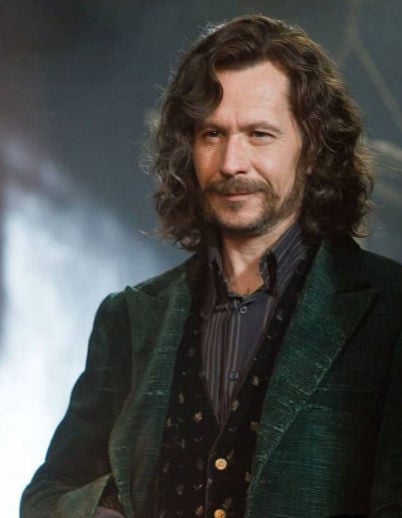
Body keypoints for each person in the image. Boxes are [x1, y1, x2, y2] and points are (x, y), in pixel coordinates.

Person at [21, 14, 402, 518]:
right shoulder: (129, 318)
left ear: (312, 149)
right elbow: (47, 495)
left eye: (259, 134)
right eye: (212, 134)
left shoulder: (390, 310)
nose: (230, 163)